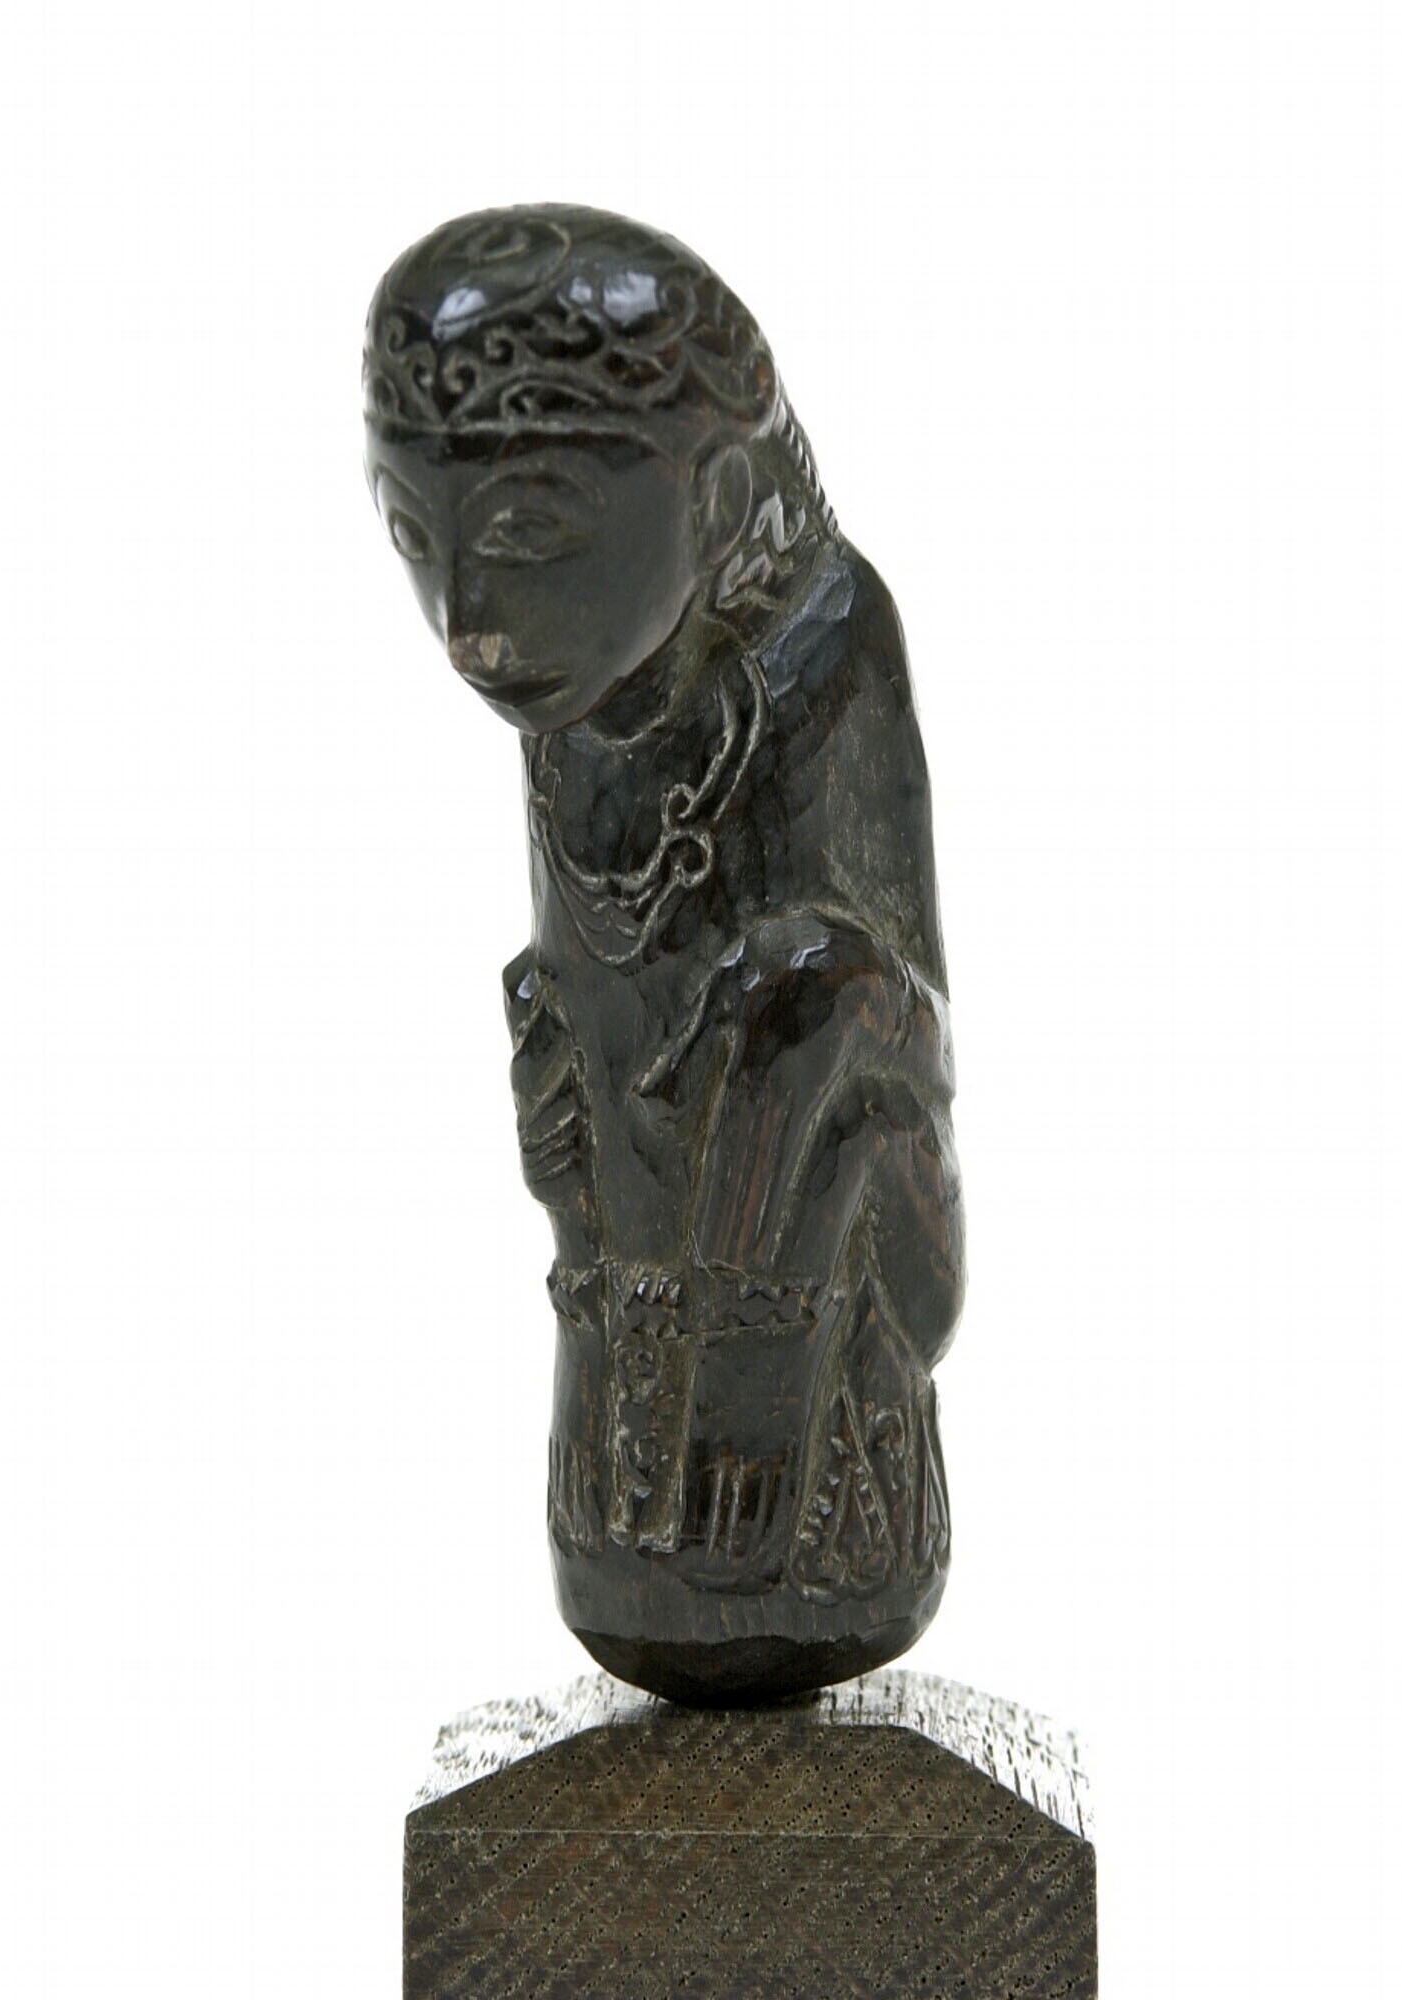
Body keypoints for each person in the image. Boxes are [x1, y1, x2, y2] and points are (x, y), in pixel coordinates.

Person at [365, 206, 965, 1701]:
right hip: (634, 1310)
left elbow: (896, 1031)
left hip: (841, 1222)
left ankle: (759, 1438)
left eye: (530, 537)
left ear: (719, 493)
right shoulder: (572, 697)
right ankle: (646, 1483)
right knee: (556, 1024)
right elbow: (589, 1010)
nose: (470, 630)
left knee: (798, 992)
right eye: (417, 539)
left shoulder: (828, 642)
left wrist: (760, 1311)